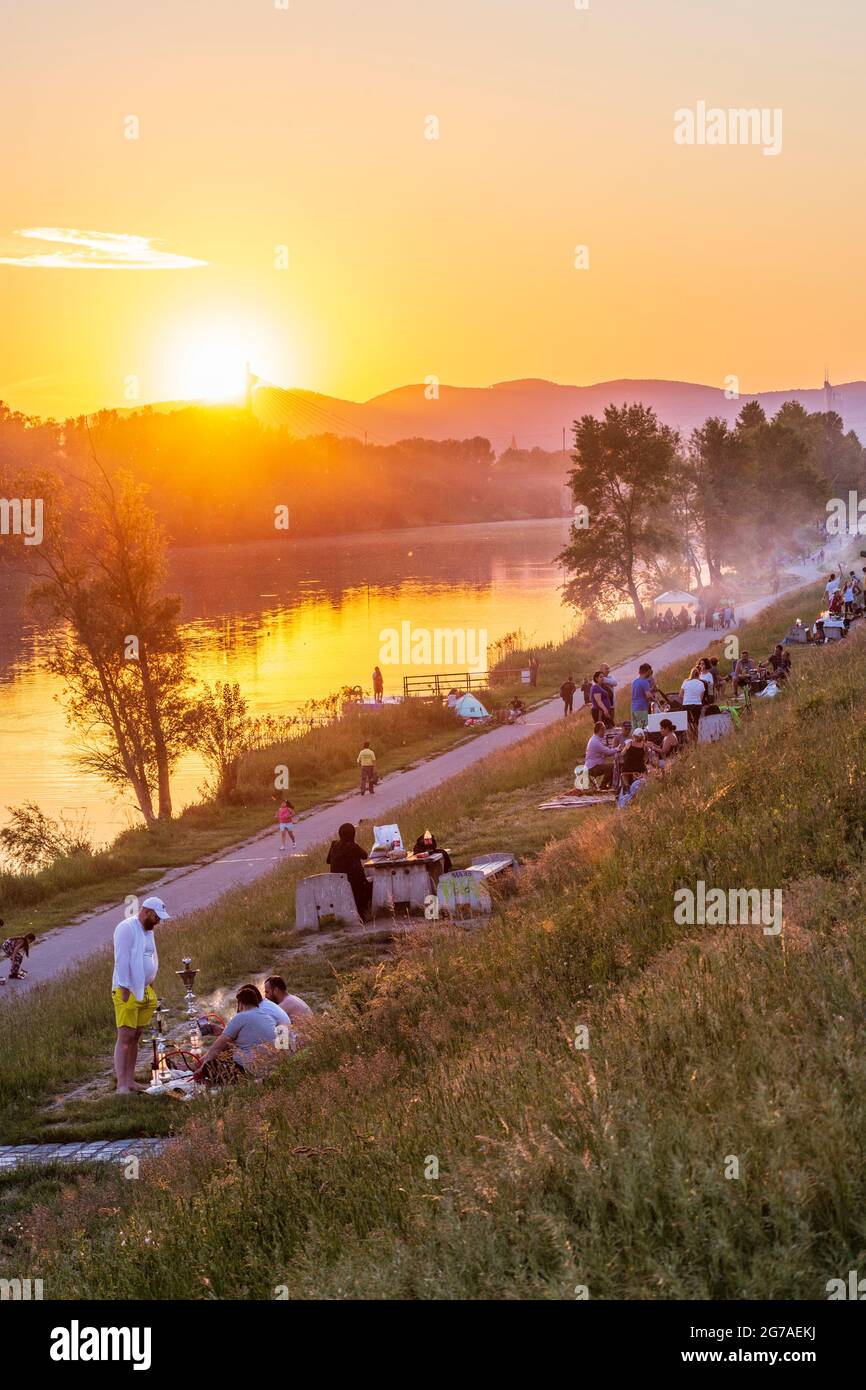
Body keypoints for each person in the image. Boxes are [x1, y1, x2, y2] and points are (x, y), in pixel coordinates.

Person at [112, 895, 172, 1095]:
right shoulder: (126, 928)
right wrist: (124, 989)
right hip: (127, 990)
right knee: (125, 1035)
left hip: (145, 989)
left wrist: (151, 984)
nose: (158, 921)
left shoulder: (148, 931)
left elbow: (150, 957)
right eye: (156, 917)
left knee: (136, 1035)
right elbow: (122, 959)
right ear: (146, 912)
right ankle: (121, 1084)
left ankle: (130, 1081)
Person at [193, 985, 279, 1085]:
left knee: (210, 1064)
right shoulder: (267, 1017)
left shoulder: (240, 1017)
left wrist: (201, 1068)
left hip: (249, 1070)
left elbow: (216, 1048)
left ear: (240, 1004)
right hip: (269, 1067)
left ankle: (210, 1083)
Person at [326, 822, 372, 918]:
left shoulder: (334, 845)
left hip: (337, 883)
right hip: (354, 884)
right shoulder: (352, 846)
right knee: (370, 886)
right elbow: (365, 855)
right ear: (353, 835)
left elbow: (328, 861)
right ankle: (362, 914)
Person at [585, 721, 615, 788]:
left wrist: (611, 751)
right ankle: (603, 786)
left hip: (592, 766)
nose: (605, 731)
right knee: (612, 766)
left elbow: (604, 752)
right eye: (604, 729)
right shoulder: (595, 741)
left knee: (612, 765)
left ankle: (609, 784)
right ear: (600, 730)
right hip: (592, 768)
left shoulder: (595, 739)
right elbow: (608, 752)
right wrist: (618, 749)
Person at [679, 665, 707, 733]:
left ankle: (690, 735)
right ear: (698, 675)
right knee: (696, 721)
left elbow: (680, 695)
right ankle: (697, 734)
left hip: (686, 705)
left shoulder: (685, 682)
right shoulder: (701, 683)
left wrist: (685, 701)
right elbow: (701, 698)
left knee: (688, 722)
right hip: (697, 705)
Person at [630, 662, 658, 728]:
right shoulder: (644, 682)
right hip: (641, 709)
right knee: (643, 728)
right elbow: (648, 696)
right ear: (648, 671)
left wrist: (651, 689)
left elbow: (641, 692)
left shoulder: (635, 682)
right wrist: (655, 700)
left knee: (635, 729)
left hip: (634, 708)